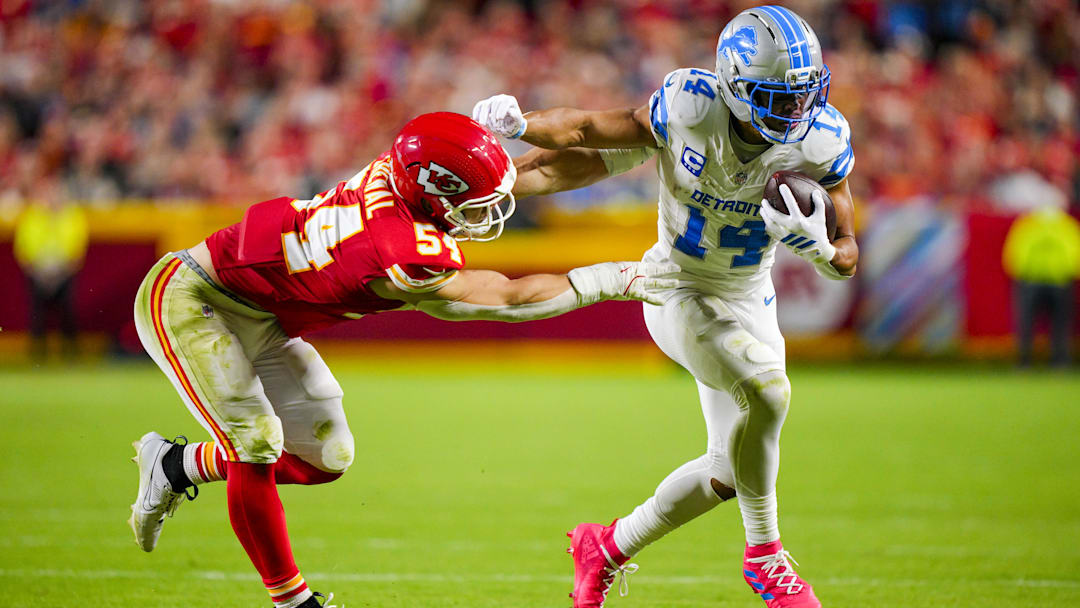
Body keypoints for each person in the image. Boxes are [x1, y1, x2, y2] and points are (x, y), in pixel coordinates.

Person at [128, 112, 675, 608]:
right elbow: (505, 299)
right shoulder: (400, 250)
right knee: (255, 442)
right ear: (433, 198)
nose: (485, 216)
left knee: (326, 457)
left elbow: (530, 174)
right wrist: (614, 279)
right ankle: (294, 604)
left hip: (264, 313)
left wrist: (632, 151)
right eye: (472, 206)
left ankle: (174, 466)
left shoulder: (409, 171)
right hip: (194, 297)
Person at [473, 6, 858, 607]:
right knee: (770, 392)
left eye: (803, 95)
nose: (796, 112)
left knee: (728, 470)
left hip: (750, 299)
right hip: (674, 286)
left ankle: (604, 548)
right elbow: (587, 131)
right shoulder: (690, 107)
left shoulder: (821, 138)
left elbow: (849, 252)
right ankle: (766, 557)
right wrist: (521, 123)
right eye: (778, 97)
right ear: (734, 87)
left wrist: (821, 249)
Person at [13, 179, 89, 363]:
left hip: (64, 273)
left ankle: (70, 353)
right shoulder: (31, 216)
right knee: (37, 314)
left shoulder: (72, 215)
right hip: (38, 274)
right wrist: (36, 270)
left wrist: (64, 270)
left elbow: (79, 246)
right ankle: (38, 354)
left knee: (67, 312)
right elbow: (22, 247)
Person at [1002, 202, 1080, 367]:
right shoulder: (1064, 225)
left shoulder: (1029, 225)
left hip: (1047, 280)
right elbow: (1015, 251)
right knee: (1032, 323)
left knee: (1054, 323)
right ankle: (1028, 360)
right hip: (1046, 280)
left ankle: (1055, 360)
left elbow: (1014, 250)